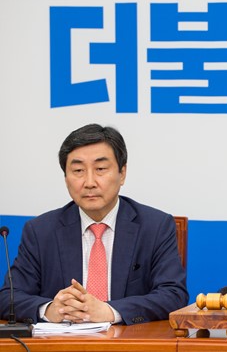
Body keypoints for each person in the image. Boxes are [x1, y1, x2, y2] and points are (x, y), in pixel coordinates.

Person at [0, 124, 189, 325]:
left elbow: (173, 294)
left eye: (100, 169)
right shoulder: (40, 231)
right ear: (66, 178)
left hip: (127, 340)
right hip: (63, 341)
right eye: (78, 170)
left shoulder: (155, 226)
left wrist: (110, 311)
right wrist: (49, 309)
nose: (89, 182)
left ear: (122, 173)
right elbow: (7, 298)